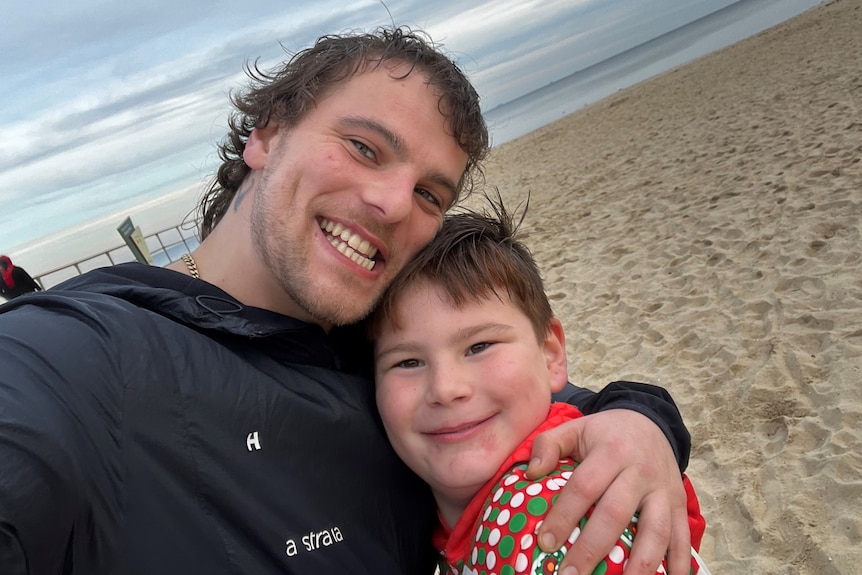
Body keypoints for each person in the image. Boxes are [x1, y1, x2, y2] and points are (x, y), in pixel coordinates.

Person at [0, 28, 691, 575]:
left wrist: (642, 416)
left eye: (429, 194)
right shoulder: (78, 362)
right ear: (266, 133)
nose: (393, 204)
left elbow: (539, 397)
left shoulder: (377, 334)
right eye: (363, 147)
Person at [369, 197, 710, 574]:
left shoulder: (540, 525)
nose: (446, 388)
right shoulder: (459, 514)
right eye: (408, 362)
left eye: (479, 346)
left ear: (550, 354)